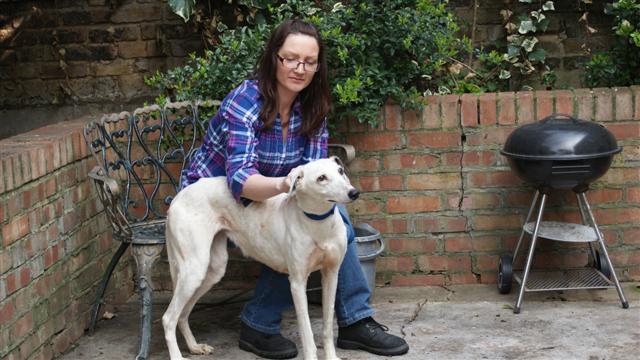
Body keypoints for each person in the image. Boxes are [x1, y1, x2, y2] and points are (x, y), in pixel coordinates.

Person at [181, 19, 409, 359]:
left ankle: (327, 322)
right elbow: (240, 179)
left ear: (318, 66)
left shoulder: (312, 107)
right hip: (220, 197)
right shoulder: (245, 102)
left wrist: (302, 194)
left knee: (327, 221)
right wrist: (286, 187)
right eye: (291, 58)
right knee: (306, 230)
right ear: (274, 57)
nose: (300, 68)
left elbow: (317, 180)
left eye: (309, 62)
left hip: (275, 196)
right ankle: (345, 321)